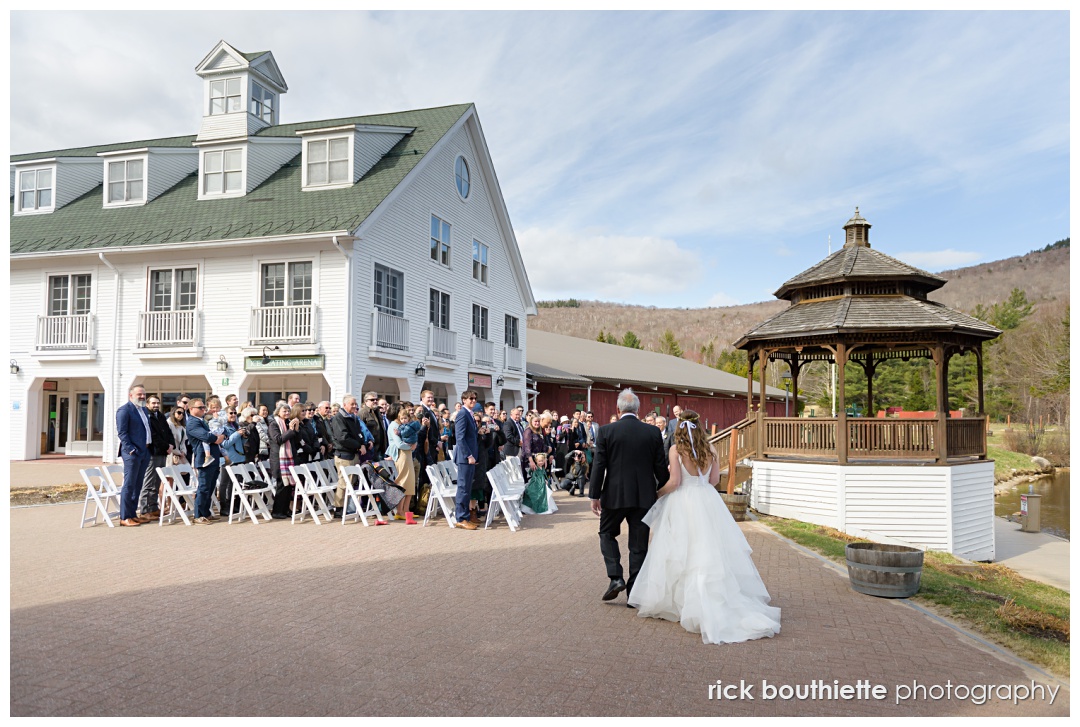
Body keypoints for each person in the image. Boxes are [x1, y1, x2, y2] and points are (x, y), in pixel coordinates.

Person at [629, 411, 781, 644]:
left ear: (679, 428)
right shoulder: (710, 449)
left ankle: (681, 603)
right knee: (708, 550)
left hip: (683, 502)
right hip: (707, 501)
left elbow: (675, 482)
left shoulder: (676, 451)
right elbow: (714, 481)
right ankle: (710, 598)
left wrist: (657, 495)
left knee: (680, 550)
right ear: (699, 427)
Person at [588, 389, 669, 605]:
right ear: (639, 410)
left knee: (606, 533)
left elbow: (599, 466)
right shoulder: (652, 433)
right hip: (644, 496)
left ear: (618, 409)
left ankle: (615, 577)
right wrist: (665, 489)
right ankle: (635, 592)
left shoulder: (606, 431)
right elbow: (660, 467)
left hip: (614, 495)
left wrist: (594, 495)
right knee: (639, 545)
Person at [116, 384, 153, 527]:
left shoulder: (143, 409)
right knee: (129, 484)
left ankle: (133, 514)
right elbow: (122, 433)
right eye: (139, 394)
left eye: (144, 394)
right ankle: (124, 517)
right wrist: (131, 449)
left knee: (138, 484)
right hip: (133, 453)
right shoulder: (124, 411)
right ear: (131, 395)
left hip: (145, 451)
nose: (142, 397)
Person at [330, 395, 372, 517]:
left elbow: (358, 434)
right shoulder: (339, 418)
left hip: (353, 454)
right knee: (344, 482)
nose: (355, 406)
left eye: (355, 404)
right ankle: (338, 508)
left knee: (351, 482)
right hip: (344, 455)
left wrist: (363, 444)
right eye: (352, 404)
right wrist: (359, 446)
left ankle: (347, 507)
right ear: (345, 405)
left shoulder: (353, 417)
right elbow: (343, 437)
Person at [186, 398, 224, 524]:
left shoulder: (202, 421)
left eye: (203, 407)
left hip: (213, 457)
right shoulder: (192, 423)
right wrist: (217, 438)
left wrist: (218, 437)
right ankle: (198, 515)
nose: (204, 409)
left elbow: (214, 433)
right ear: (191, 409)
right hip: (204, 459)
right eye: (200, 407)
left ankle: (206, 512)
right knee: (203, 487)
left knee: (210, 487)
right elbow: (206, 436)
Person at [138, 393, 174, 520]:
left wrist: (171, 445)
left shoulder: (161, 416)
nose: (156, 405)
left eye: (158, 403)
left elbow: (168, 432)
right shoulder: (147, 416)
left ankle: (153, 508)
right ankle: (144, 510)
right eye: (153, 403)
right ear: (147, 404)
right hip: (153, 453)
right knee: (149, 482)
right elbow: (153, 436)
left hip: (163, 452)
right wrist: (166, 446)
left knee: (157, 481)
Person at [386, 403, 421, 524]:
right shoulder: (394, 425)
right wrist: (411, 447)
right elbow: (398, 444)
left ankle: (406, 510)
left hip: (407, 453)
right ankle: (399, 511)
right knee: (403, 481)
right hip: (401, 453)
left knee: (410, 482)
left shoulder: (402, 424)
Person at [452, 390, 480, 530]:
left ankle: (466, 516)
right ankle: (461, 518)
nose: (473, 401)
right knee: (463, 488)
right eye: (470, 399)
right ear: (464, 400)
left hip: (471, 457)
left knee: (468, 488)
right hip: (465, 458)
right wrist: (468, 455)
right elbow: (460, 438)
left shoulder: (470, 414)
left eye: (475, 399)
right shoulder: (462, 414)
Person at [269, 404, 301, 519]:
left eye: (288, 411)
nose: (287, 413)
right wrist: (291, 430)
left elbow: (295, 441)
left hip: (290, 458)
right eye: (284, 411)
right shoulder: (274, 424)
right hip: (279, 459)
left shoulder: (288, 423)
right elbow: (278, 439)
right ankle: (277, 511)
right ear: (278, 412)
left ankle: (286, 509)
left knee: (289, 486)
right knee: (282, 486)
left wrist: (296, 430)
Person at [359, 392, 387, 460]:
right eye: (372, 400)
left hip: (381, 448)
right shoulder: (363, 413)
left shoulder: (377, 412)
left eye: (376, 399)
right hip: (370, 448)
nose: (375, 401)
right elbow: (359, 430)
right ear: (366, 401)